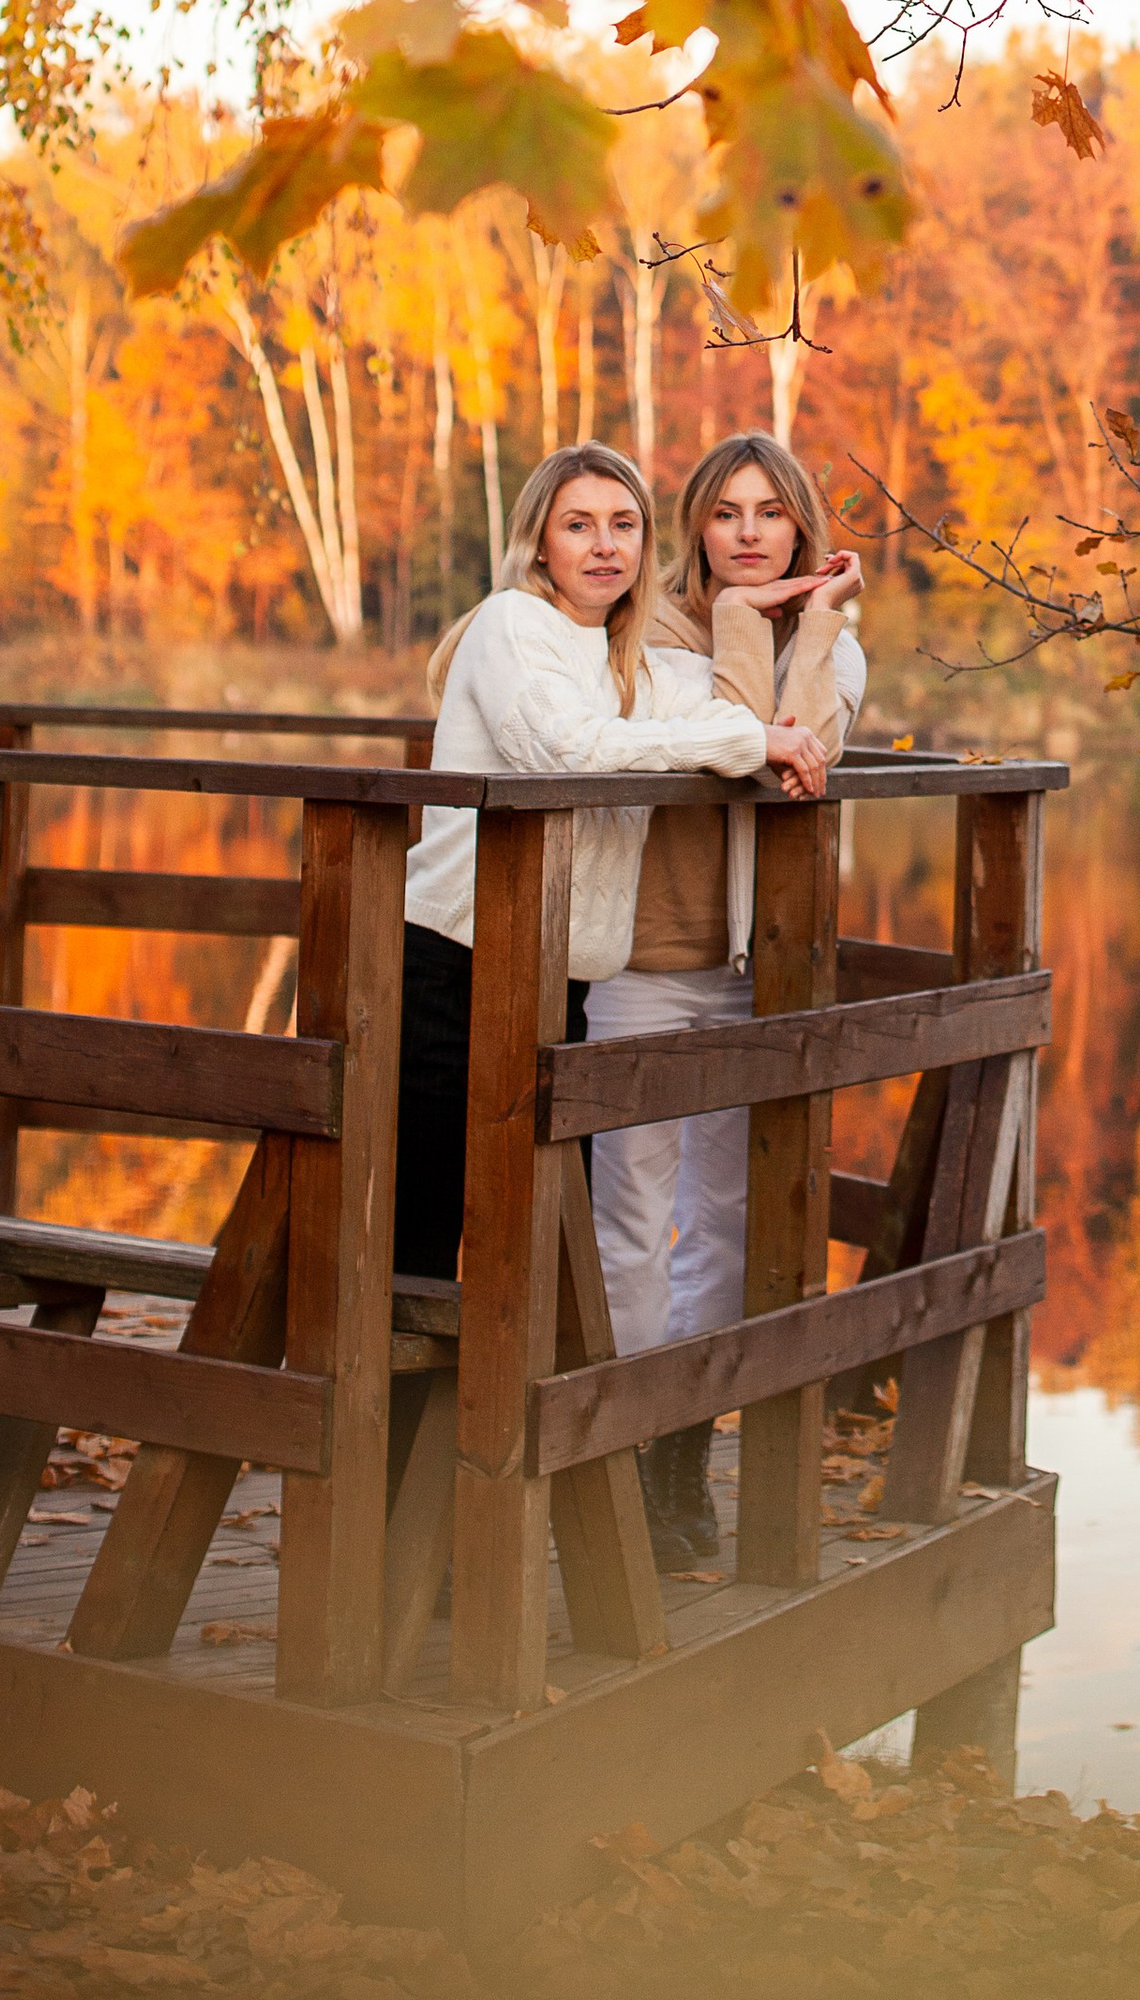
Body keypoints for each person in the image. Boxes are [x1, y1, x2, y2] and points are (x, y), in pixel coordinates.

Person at [394, 442, 828, 1293]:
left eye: (623, 526)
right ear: (540, 545)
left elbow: (758, 722)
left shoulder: (636, 664)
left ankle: (516, 1426)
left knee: (545, 1234)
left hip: (560, 978)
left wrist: (747, 609)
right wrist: (751, 739)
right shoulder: (512, 626)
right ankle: (388, 1427)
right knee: (428, 1225)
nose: (603, 546)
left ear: (643, 548)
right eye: (579, 526)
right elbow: (567, 749)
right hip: (456, 961)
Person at [590, 430, 866, 1570]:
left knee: (726, 1225)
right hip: (644, 965)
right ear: (693, 527)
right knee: (623, 1228)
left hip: (760, 972)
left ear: (800, 525)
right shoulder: (643, 637)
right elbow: (747, 750)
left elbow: (811, 755)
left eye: (770, 513)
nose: (749, 534)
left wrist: (806, 629)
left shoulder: (834, 644)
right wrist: (755, 626)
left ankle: (675, 1460)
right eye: (725, 513)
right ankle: (607, 1455)